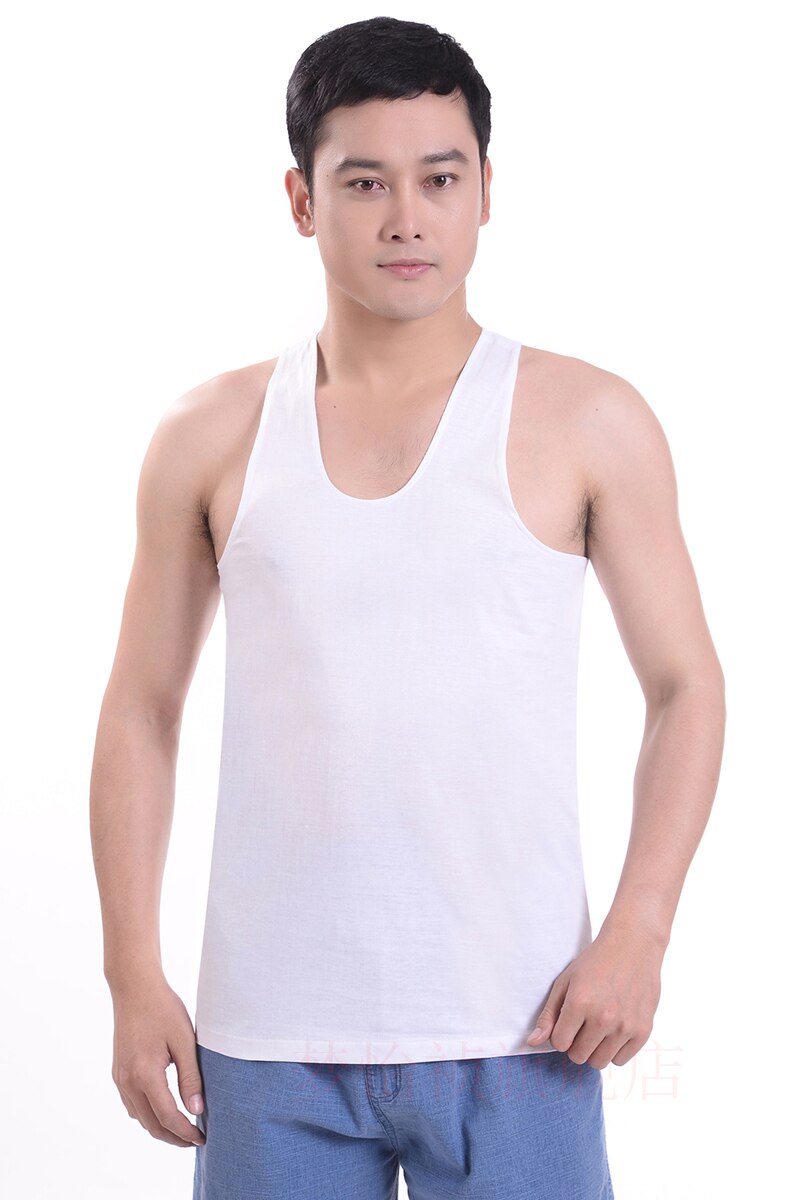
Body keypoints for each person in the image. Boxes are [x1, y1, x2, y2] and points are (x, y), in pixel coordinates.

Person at [90, 15, 725, 1199]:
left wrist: (639, 928)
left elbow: (685, 687)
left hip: (526, 1024)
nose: (405, 219)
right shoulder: (209, 434)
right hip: (268, 1035)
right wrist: (131, 971)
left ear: (485, 190)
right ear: (300, 199)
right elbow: (141, 708)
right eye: (363, 182)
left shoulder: (588, 420)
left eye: (439, 179)